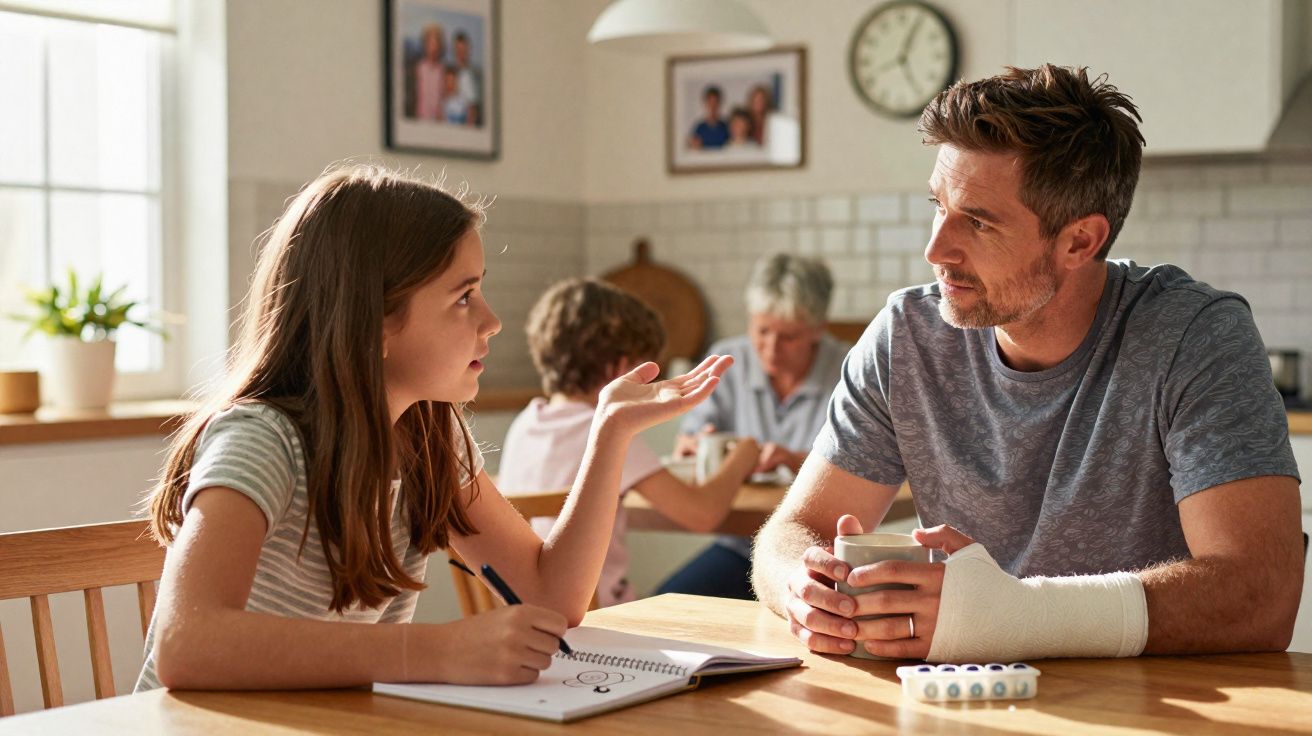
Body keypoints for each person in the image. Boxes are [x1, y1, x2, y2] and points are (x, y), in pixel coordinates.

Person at [752, 65, 1303, 663]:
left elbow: (1261, 597)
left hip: (1152, 704)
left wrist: (1012, 614)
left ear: (1079, 242)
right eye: (938, 206)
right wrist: (804, 590)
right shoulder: (907, 335)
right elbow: (792, 530)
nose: (935, 249)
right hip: (966, 695)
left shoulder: (1193, 336)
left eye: (979, 221)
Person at [134, 165, 733, 692]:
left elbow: (549, 598)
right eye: (464, 297)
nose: (493, 321)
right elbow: (188, 643)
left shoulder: (429, 440)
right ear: (377, 319)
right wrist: (439, 651)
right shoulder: (263, 439)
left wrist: (610, 433)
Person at [498, 279, 760, 607]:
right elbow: (702, 514)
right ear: (623, 368)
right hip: (594, 620)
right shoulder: (608, 433)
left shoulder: (525, 423)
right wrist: (744, 455)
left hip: (526, 624)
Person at [661, 254, 849, 600]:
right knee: (664, 604)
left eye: (789, 336)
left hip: (816, 554)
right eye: (762, 331)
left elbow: (867, 468)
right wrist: (692, 446)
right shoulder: (726, 360)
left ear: (818, 329)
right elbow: (689, 439)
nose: (771, 348)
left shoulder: (850, 370)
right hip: (740, 548)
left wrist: (797, 461)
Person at [413, 23, 446, 121]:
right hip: (421, 119)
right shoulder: (419, 68)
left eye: (436, 43)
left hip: (438, 121)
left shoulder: (443, 69)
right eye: (430, 43)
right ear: (425, 44)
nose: (434, 48)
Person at [452, 30, 482, 126]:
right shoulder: (448, 73)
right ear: (454, 50)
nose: (461, 53)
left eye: (464, 49)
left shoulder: (477, 74)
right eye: (458, 49)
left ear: (469, 49)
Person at [687, 86, 729, 150]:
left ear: (720, 104)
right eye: (710, 103)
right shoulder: (699, 128)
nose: (713, 107)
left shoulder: (726, 127)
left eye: (715, 103)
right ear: (705, 104)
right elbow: (691, 148)